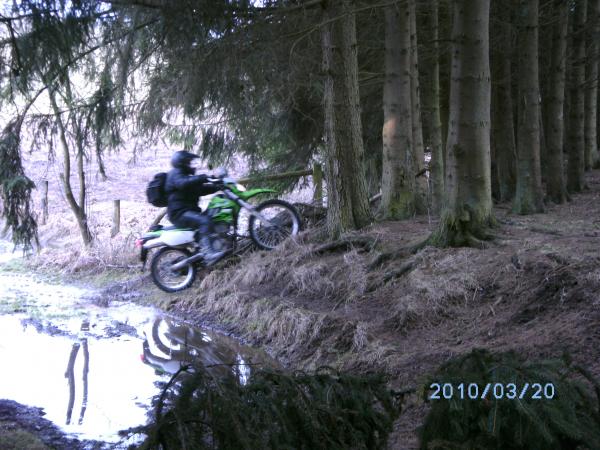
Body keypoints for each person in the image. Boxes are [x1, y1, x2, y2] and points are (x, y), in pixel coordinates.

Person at [164, 150, 225, 264]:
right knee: (205, 221)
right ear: (182, 163)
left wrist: (217, 186)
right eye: (189, 163)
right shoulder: (175, 174)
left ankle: (208, 247)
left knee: (212, 216)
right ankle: (208, 253)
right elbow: (182, 183)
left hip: (186, 211)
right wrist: (202, 177)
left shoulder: (185, 176)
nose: (192, 165)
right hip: (179, 213)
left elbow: (199, 190)